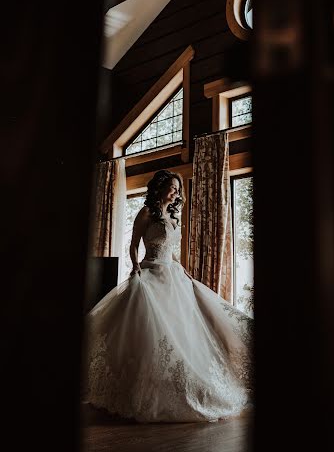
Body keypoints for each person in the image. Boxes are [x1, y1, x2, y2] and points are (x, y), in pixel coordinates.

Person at [84, 169, 253, 423]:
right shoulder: (147, 214)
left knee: (180, 330)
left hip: (173, 275)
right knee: (149, 332)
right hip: (150, 273)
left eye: (178, 189)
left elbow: (170, 249)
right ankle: (138, 392)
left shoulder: (174, 215)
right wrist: (135, 267)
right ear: (160, 188)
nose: (176, 192)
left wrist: (181, 267)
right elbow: (133, 244)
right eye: (172, 187)